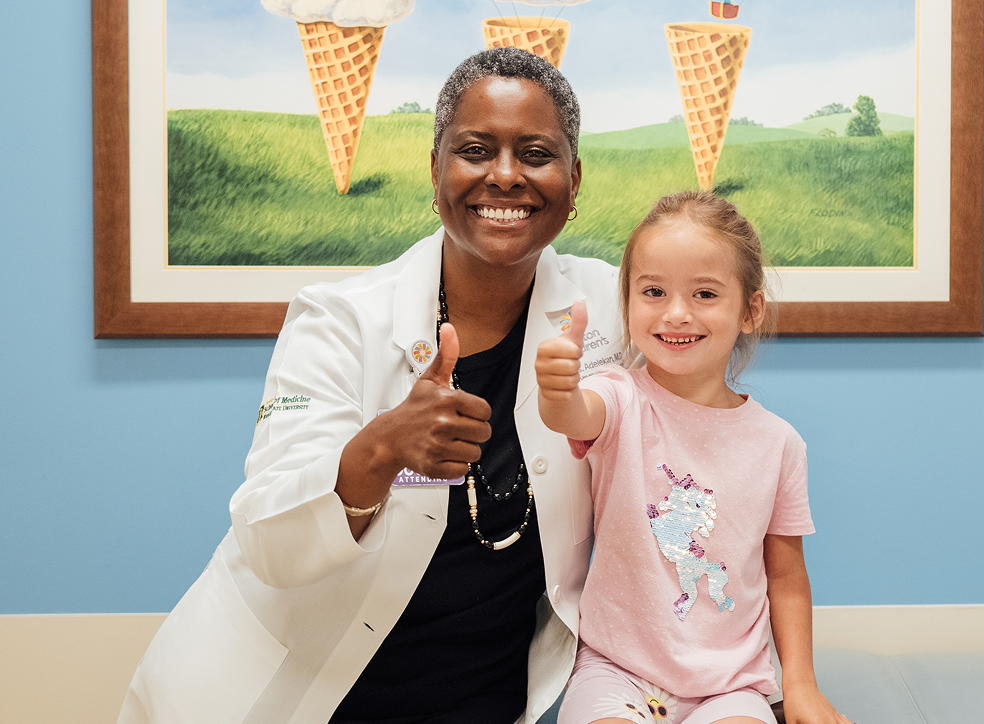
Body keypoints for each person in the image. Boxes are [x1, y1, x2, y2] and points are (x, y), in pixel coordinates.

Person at [117, 47, 628, 724]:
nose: (505, 176)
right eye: (475, 150)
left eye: (535, 153)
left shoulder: (614, 310)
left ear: (574, 175)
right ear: (436, 168)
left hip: (483, 698)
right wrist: (381, 450)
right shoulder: (341, 318)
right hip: (293, 695)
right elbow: (267, 536)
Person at [534, 192, 852, 724]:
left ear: (750, 311)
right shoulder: (619, 396)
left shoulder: (779, 444)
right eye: (653, 291)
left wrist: (800, 685)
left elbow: (787, 575)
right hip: (617, 671)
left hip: (731, 686)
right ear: (628, 302)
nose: (676, 313)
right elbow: (574, 414)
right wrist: (557, 387)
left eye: (704, 293)